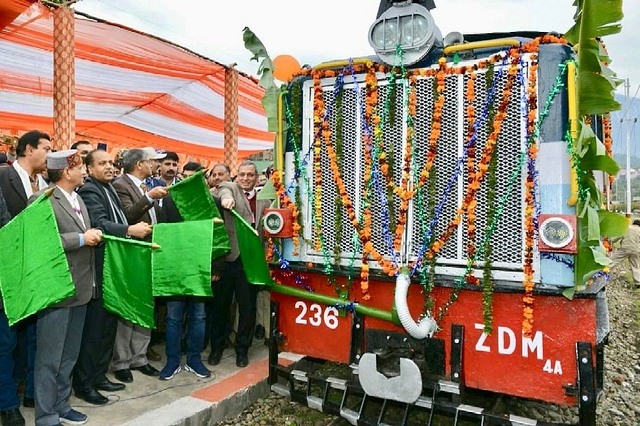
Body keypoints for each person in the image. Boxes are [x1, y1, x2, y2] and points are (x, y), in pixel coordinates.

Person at [73, 150, 152, 405]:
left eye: (111, 163)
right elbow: (99, 223)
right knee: (95, 330)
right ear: (89, 168)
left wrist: (135, 223)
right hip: (99, 268)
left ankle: (99, 377)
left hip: (115, 268)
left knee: (108, 326)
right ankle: (84, 384)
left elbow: (121, 217)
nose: (109, 167)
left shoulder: (108, 188)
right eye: (102, 163)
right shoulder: (90, 190)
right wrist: (130, 230)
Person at [30, 150, 102, 426]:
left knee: (69, 354)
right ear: (66, 171)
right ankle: (46, 414)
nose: (84, 171)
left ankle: (61, 404)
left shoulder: (79, 200)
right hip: (57, 290)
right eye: (81, 166)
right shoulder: (41, 200)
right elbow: (41, 242)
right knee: (49, 357)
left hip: (81, 288)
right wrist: (81, 239)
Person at [0, 130, 51, 426]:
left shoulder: (46, 182)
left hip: (36, 273)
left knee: (33, 338)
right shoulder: (3, 177)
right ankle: (8, 404)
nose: (49, 154)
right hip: (8, 274)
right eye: (46, 148)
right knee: (6, 342)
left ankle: (30, 392)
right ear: (29, 149)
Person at [110, 149, 167, 382]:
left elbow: (156, 217)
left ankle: (140, 357)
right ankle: (122, 361)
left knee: (147, 305)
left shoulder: (147, 184)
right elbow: (127, 216)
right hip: (133, 252)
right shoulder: (120, 185)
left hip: (151, 252)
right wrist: (150, 197)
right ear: (140, 164)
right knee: (129, 307)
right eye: (151, 161)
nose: (154, 165)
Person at [210, 161, 272, 368]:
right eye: (242, 175)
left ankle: (242, 349)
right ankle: (217, 348)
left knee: (248, 308)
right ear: (237, 177)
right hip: (229, 260)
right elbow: (223, 190)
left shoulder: (264, 197)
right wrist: (226, 200)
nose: (246, 178)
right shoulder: (230, 189)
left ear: (256, 178)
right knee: (221, 307)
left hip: (251, 261)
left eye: (250, 175)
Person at [157, 195, 224, 380]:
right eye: (186, 175)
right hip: (176, 271)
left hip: (201, 270)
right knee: (173, 318)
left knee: (199, 317)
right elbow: (163, 234)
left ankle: (194, 359)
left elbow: (219, 237)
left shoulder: (212, 202)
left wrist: (217, 267)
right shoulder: (171, 201)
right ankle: (172, 361)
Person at [610, 219, 640, 287]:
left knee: (613, 261)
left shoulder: (627, 228)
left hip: (625, 249)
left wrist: (611, 241)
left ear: (633, 223)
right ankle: (638, 282)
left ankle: (603, 273)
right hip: (636, 250)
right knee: (635, 266)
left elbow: (618, 237)